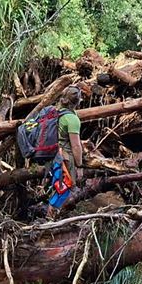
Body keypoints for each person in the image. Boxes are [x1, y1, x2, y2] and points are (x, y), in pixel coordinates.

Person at [47, 86, 84, 214]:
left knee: (59, 186)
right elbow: (76, 146)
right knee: (64, 188)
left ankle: (52, 214)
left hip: (53, 155)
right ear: (78, 101)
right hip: (65, 158)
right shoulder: (72, 119)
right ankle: (50, 217)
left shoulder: (57, 112)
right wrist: (79, 166)